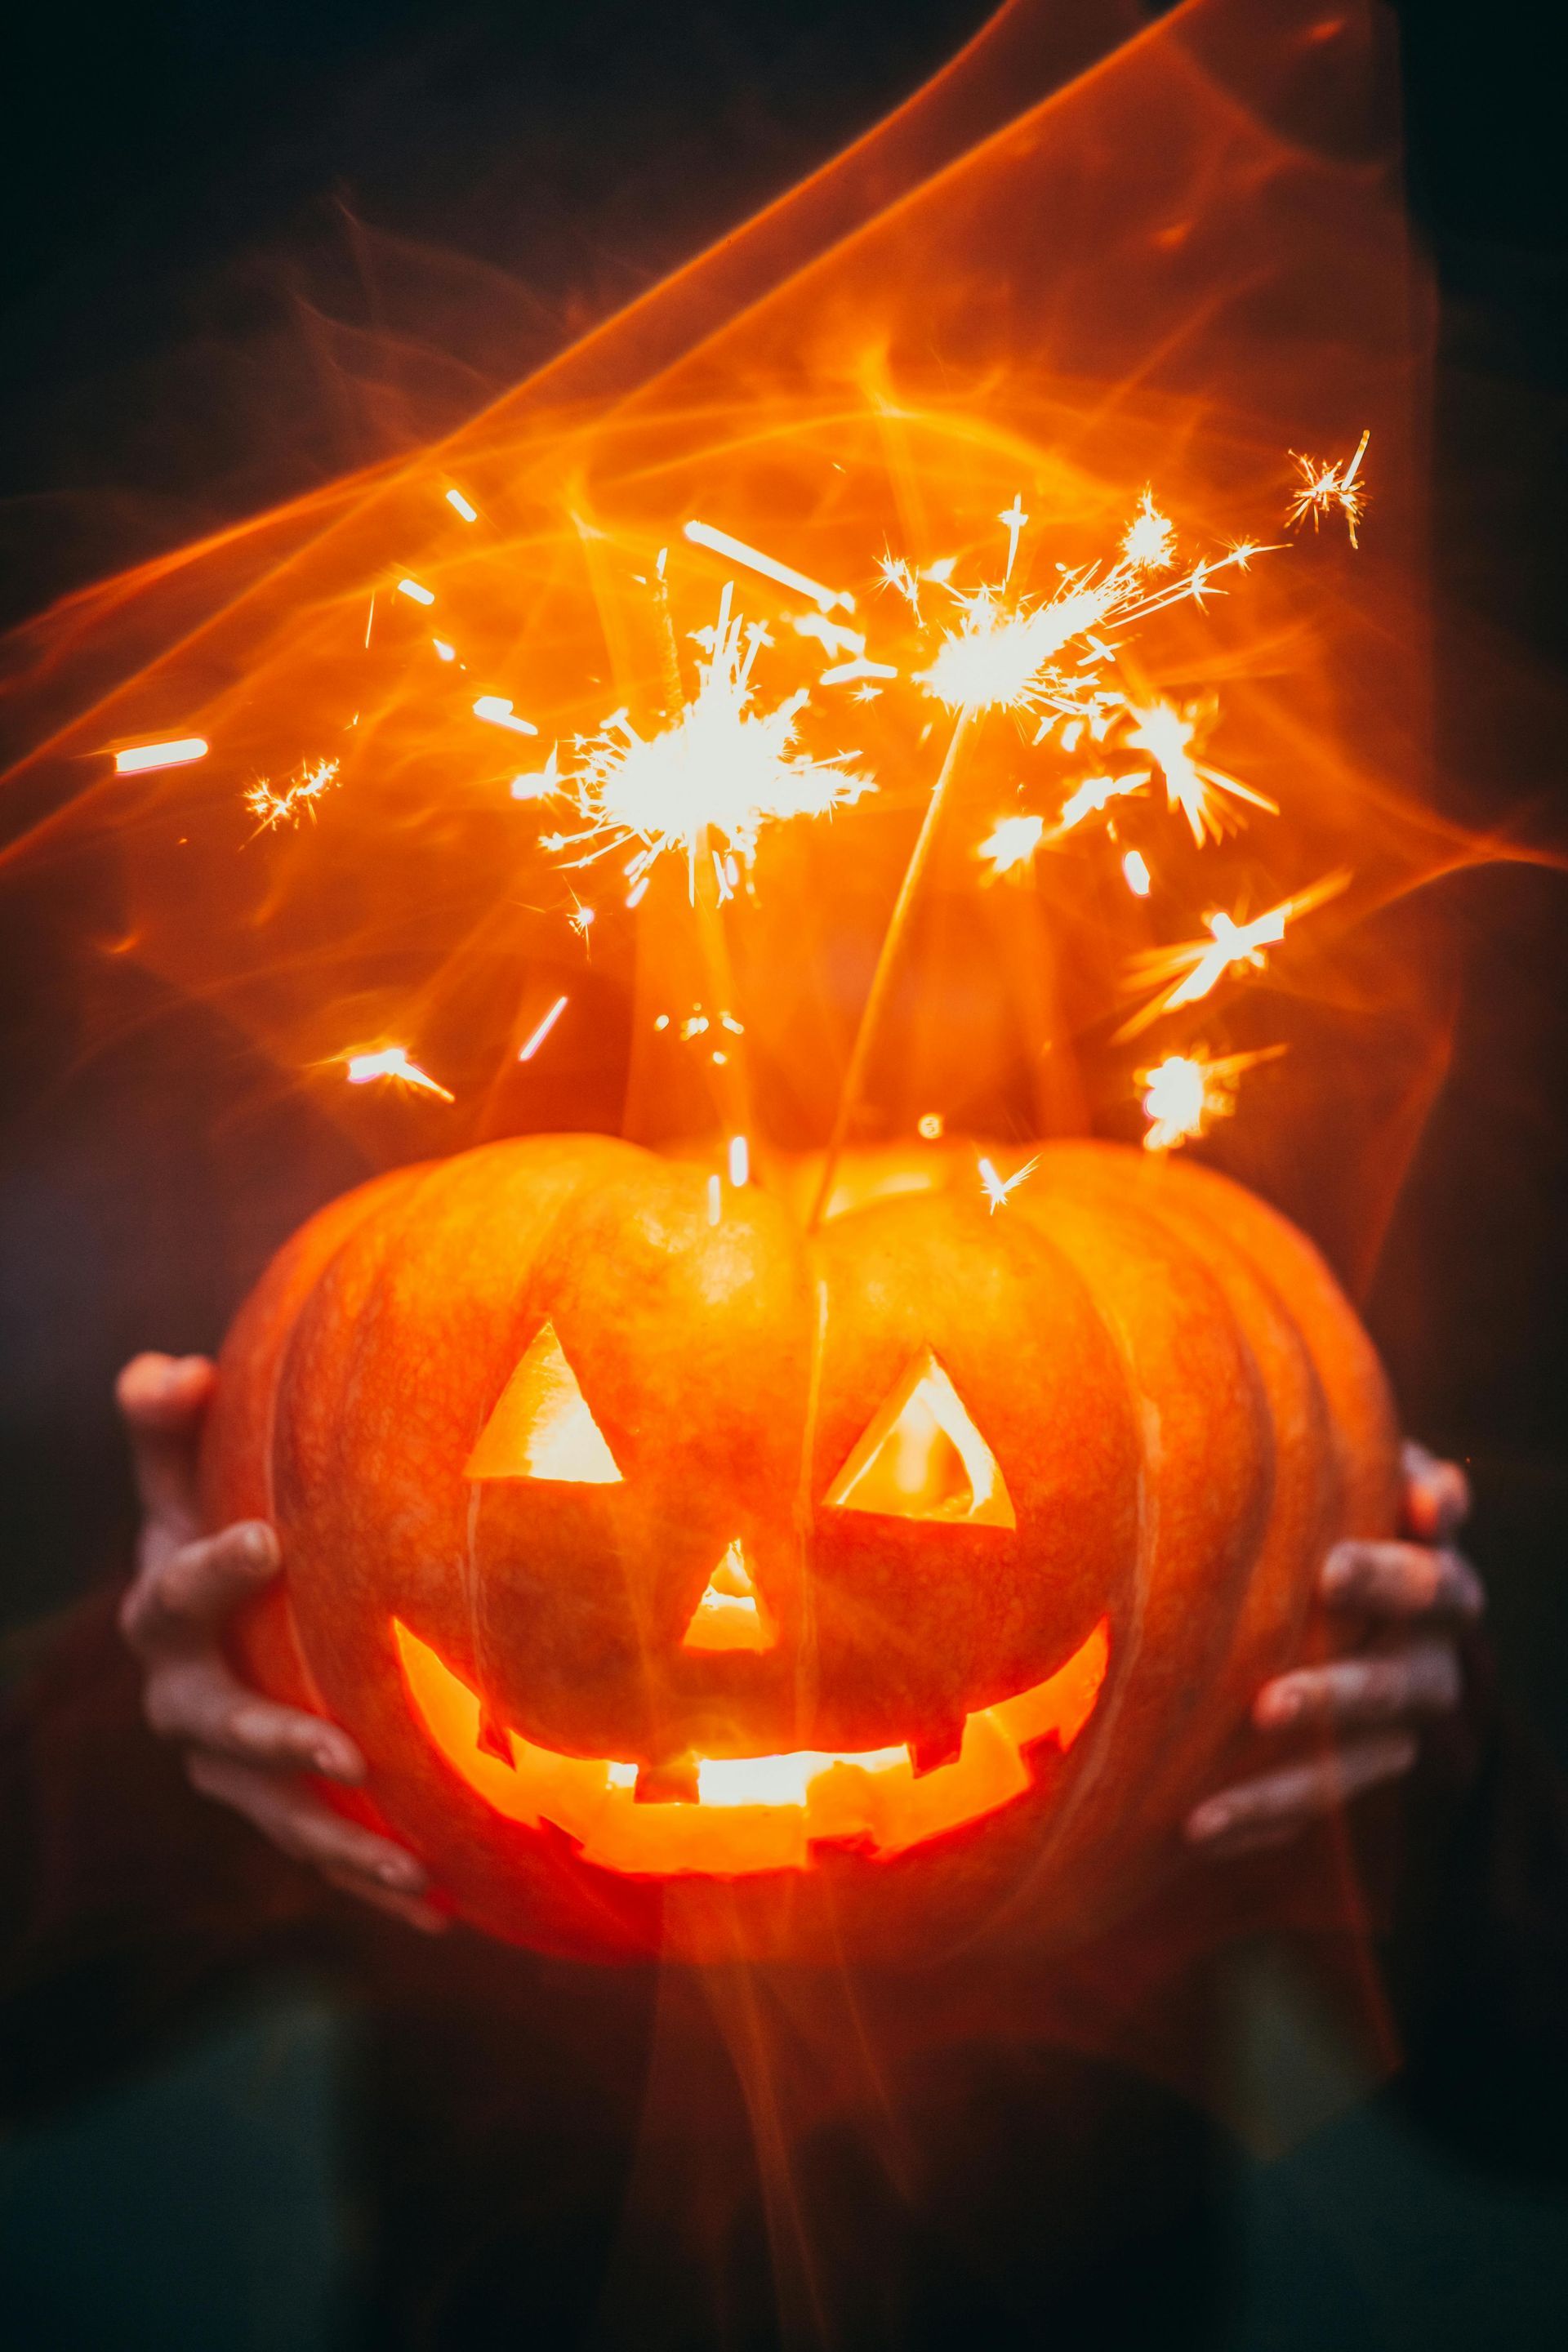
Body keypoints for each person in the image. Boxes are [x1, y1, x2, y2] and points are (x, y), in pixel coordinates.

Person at [21, 1343, 1506, 2352]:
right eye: (566, 1452)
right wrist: (200, 1686)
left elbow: (1525, 2089)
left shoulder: (1198, 1382)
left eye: (918, 1466)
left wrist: (1411, 1748)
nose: (733, 1616)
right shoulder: (385, 1331)